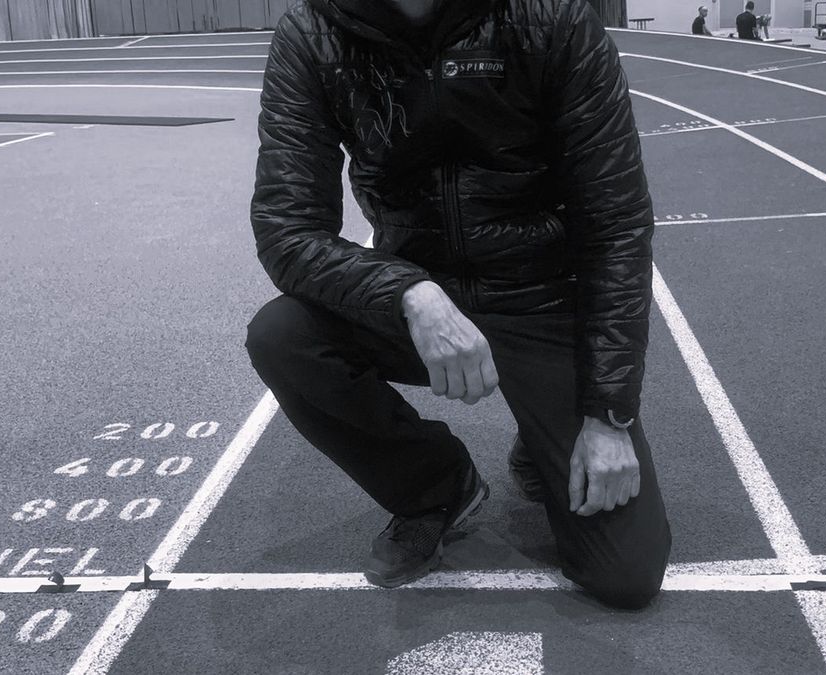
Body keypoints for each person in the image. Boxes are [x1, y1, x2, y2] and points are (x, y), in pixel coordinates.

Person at [247, 0, 671, 609]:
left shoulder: (552, 17)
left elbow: (616, 225)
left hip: (543, 297)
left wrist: (607, 414)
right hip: (420, 296)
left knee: (623, 575)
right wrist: (407, 292)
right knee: (283, 335)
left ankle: (542, 438)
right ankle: (437, 487)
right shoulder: (313, 32)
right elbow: (286, 229)